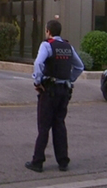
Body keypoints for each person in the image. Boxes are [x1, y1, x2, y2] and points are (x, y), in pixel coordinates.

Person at [25, 19, 84, 173]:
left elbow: (38, 64)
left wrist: (37, 82)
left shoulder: (47, 45)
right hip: (64, 91)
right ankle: (63, 161)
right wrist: (69, 79)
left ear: (48, 31)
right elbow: (79, 66)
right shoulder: (68, 46)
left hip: (49, 90)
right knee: (59, 125)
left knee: (44, 126)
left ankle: (37, 162)